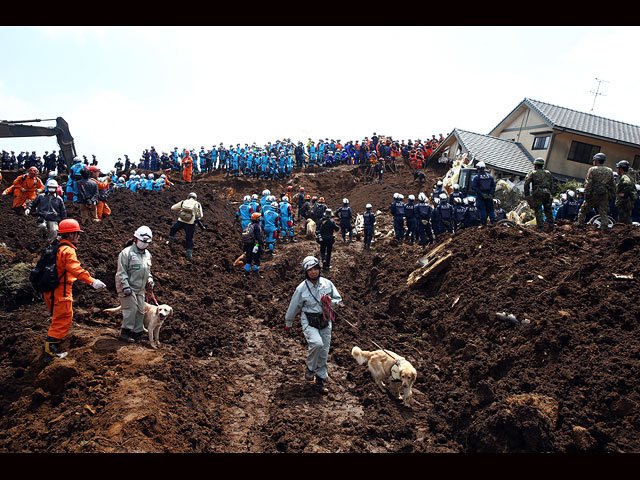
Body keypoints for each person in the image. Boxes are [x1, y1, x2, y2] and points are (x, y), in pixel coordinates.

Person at [42, 218, 106, 363]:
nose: (78, 237)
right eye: (77, 234)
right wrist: (92, 281)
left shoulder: (55, 247)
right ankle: (50, 353)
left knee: (57, 319)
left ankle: (48, 348)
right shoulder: (68, 250)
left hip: (49, 291)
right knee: (62, 320)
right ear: (70, 235)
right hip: (61, 292)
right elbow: (75, 269)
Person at [284, 255, 343, 394]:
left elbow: (338, 299)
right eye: (310, 270)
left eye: (316, 269)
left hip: (325, 319)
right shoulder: (301, 289)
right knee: (317, 344)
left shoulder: (327, 284)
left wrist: (330, 302)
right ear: (306, 272)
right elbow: (294, 306)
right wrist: (289, 322)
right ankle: (310, 368)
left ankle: (320, 380)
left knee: (324, 351)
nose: (313, 272)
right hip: (309, 320)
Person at [115, 226, 154, 343]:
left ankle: (137, 334)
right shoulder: (126, 253)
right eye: (142, 241)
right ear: (136, 239)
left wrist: (150, 279)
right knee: (131, 309)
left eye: (146, 242)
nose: (144, 244)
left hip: (140, 288)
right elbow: (121, 272)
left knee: (141, 310)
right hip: (127, 287)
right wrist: (125, 286)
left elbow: (148, 270)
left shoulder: (147, 255)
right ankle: (125, 332)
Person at [576, 153, 616, 229]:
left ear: (597, 161)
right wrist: (611, 195)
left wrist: (586, 194)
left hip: (593, 195)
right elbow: (612, 185)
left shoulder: (592, 169)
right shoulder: (609, 171)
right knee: (603, 213)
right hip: (604, 195)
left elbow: (588, 183)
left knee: (583, 210)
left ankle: (580, 225)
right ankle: (604, 227)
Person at [168, 192, 203, 260]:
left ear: (188, 197)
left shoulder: (183, 202)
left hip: (181, 221)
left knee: (173, 229)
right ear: (195, 198)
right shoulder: (197, 204)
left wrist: (181, 208)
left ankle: (170, 242)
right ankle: (189, 254)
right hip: (190, 224)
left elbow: (172, 208)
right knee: (189, 239)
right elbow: (200, 215)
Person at [523, 157, 555, 230]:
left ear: (535, 165)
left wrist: (527, 195)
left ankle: (541, 227)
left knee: (538, 209)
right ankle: (551, 224)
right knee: (547, 209)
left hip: (537, 193)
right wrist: (551, 193)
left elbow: (526, 184)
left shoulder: (533, 173)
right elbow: (552, 185)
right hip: (547, 193)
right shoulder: (548, 173)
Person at [471, 161, 496, 226]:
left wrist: (482, 194)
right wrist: (490, 194)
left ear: (478, 168)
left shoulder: (477, 177)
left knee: (482, 210)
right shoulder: (490, 177)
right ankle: (493, 221)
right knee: (491, 209)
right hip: (489, 196)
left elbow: (474, 187)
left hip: (481, 197)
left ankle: (484, 224)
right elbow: (493, 186)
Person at [614, 160, 637, 225]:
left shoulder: (625, 178)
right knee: (627, 222)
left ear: (620, 169)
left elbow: (627, 184)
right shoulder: (626, 176)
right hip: (626, 203)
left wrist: (622, 194)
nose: (617, 170)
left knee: (622, 222)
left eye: (618, 168)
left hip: (624, 203)